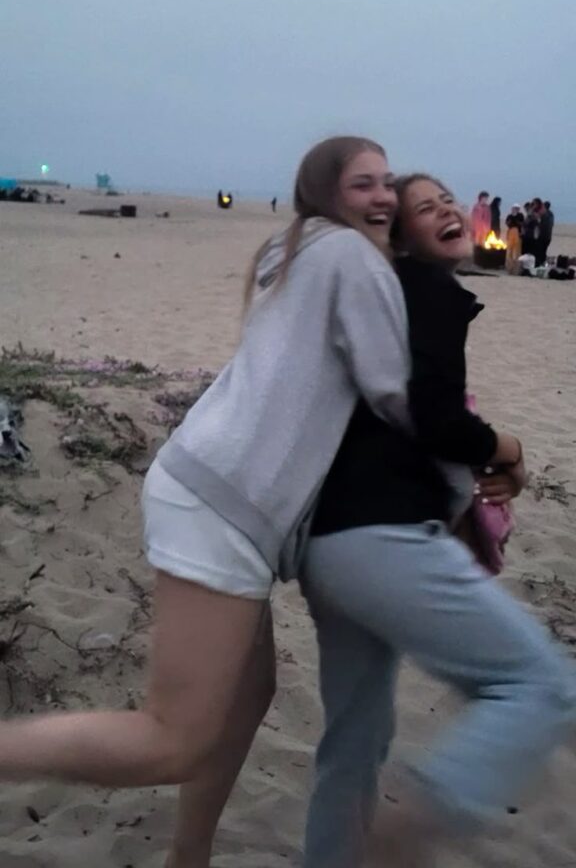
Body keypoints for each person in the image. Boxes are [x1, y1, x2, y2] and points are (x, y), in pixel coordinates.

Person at [0, 136, 414, 868]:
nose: (383, 196)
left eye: (389, 182)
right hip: (223, 504)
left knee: (249, 697)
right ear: (324, 192)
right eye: (363, 184)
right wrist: (491, 449)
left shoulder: (296, 253)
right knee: (175, 737)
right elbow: (395, 393)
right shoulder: (348, 258)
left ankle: (187, 857)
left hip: (209, 488)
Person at [300, 175, 576, 868]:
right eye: (426, 208)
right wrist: (505, 448)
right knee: (540, 684)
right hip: (383, 538)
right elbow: (435, 418)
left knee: (355, 740)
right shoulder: (427, 292)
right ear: (400, 236)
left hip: (329, 547)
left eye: (449, 199)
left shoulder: (387, 297)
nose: (449, 210)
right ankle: (413, 823)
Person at [505, 203, 524, 274]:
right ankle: (509, 267)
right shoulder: (509, 216)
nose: (515, 209)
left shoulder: (520, 215)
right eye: (514, 208)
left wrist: (517, 221)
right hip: (510, 232)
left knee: (517, 251)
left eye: (517, 208)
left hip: (517, 233)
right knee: (509, 250)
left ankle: (516, 268)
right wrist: (511, 220)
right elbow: (507, 223)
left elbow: (522, 224)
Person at [538, 200, 555, 266]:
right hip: (548, 237)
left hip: (543, 236)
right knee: (544, 250)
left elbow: (541, 225)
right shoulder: (551, 214)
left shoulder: (544, 214)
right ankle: (543, 262)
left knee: (541, 250)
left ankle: (541, 263)